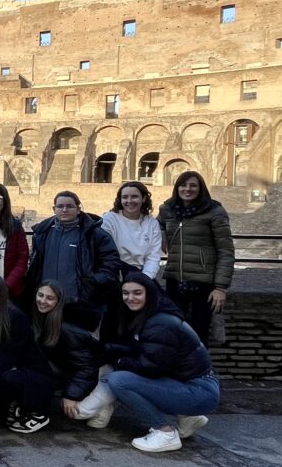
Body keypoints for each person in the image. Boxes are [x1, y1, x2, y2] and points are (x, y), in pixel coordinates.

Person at [102, 272, 219, 452]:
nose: (130, 298)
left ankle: (164, 432)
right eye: (125, 293)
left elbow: (150, 368)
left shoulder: (160, 323)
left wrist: (118, 359)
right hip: (192, 383)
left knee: (119, 381)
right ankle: (187, 418)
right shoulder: (150, 314)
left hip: (199, 391)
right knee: (127, 377)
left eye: (137, 293)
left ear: (149, 292)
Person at [0, 275, 55, 434]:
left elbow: (8, 356)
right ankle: (15, 406)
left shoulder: (15, 317)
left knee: (7, 378)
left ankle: (38, 411)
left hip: (32, 373)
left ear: (1, 295)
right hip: (3, 368)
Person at [156, 171, 235, 345]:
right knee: (174, 330)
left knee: (199, 333)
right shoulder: (168, 209)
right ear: (177, 188)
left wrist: (221, 287)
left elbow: (226, 250)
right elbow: (157, 223)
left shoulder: (214, 211)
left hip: (204, 281)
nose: (187, 189)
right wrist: (162, 233)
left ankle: (199, 371)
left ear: (201, 188)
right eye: (183, 185)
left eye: (193, 185)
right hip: (176, 278)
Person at [25, 191, 121, 330]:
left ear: (78, 209)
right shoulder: (43, 233)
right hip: (46, 303)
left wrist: (93, 280)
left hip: (78, 303)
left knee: (76, 343)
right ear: (54, 209)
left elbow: (111, 262)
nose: (64, 210)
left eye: (69, 206)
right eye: (60, 206)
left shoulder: (94, 234)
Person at [31, 280, 114, 427]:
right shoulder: (39, 321)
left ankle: (110, 397)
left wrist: (71, 395)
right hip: (74, 369)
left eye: (50, 298)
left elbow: (87, 367)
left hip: (99, 369)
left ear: (58, 301)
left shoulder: (66, 330)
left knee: (77, 411)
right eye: (40, 295)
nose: (43, 301)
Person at [100, 181, 163, 279]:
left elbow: (153, 257)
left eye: (134, 196)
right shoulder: (109, 220)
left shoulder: (152, 223)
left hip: (142, 274)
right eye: (125, 197)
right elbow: (105, 252)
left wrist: (144, 279)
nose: (129, 201)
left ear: (144, 198)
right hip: (114, 273)